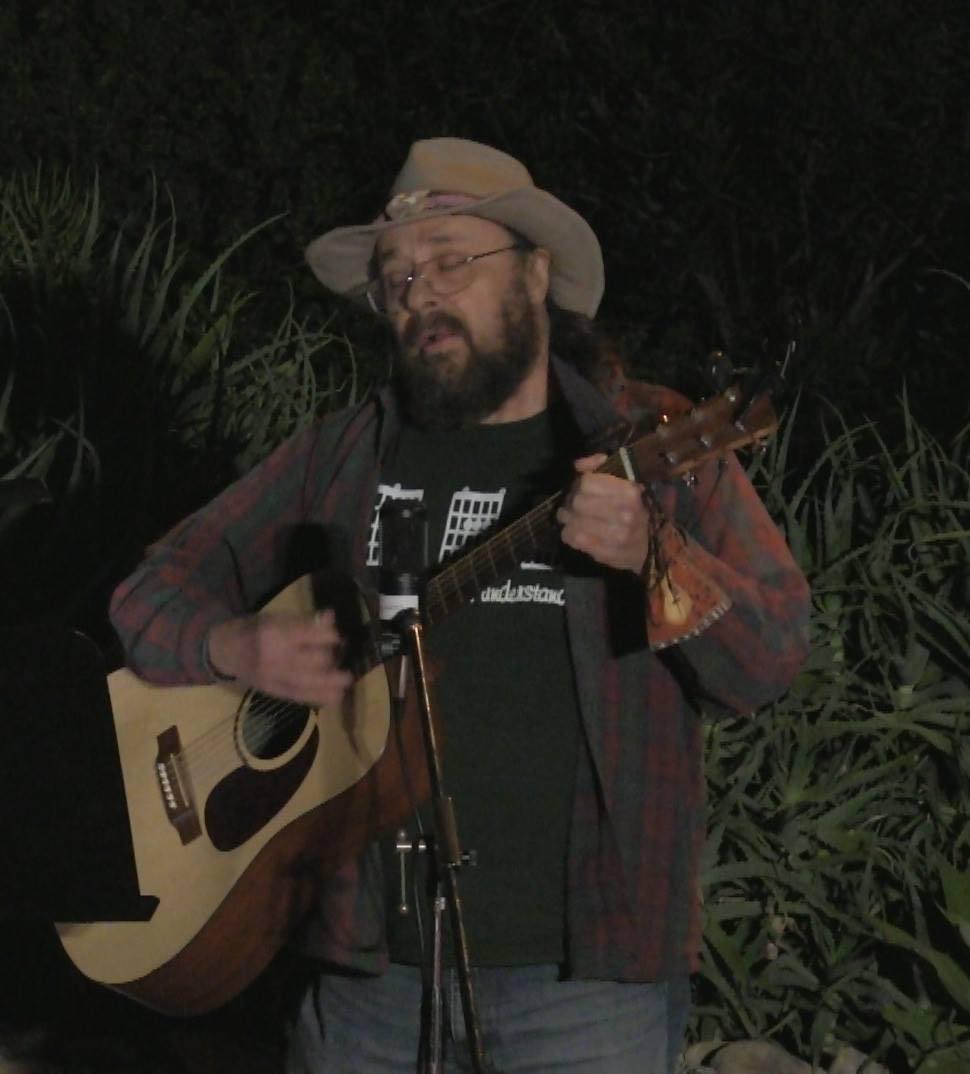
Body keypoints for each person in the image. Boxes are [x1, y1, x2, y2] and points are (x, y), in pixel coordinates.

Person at [109, 138, 810, 1073]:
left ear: (535, 274)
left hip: (587, 990)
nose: (419, 295)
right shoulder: (342, 455)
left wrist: (655, 554)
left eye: (451, 262)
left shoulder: (649, 441)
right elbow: (148, 591)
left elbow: (773, 656)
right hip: (364, 978)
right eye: (396, 277)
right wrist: (232, 646)